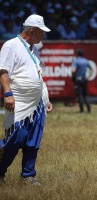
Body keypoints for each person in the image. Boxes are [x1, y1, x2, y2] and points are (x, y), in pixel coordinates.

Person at [0, 14, 53, 185]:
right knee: (16, 137)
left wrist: (46, 99)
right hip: (19, 100)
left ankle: (28, 175)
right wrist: (8, 94)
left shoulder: (33, 48)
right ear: (31, 30)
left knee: (33, 140)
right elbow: (3, 71)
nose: (43, 34)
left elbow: (38, 75)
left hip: (36, 103)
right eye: (41, 31)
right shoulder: (11, 46)